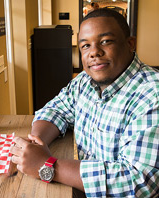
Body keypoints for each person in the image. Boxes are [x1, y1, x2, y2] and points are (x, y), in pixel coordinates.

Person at [10, 8, 159, 198]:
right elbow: (56, 109)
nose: (94, 52)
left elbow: (139, 181)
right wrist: (38, 143)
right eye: (85, 46)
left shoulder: (152, 95)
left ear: (130, 44)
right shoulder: (84, 81)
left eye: (105, 41)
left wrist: (48, 166)